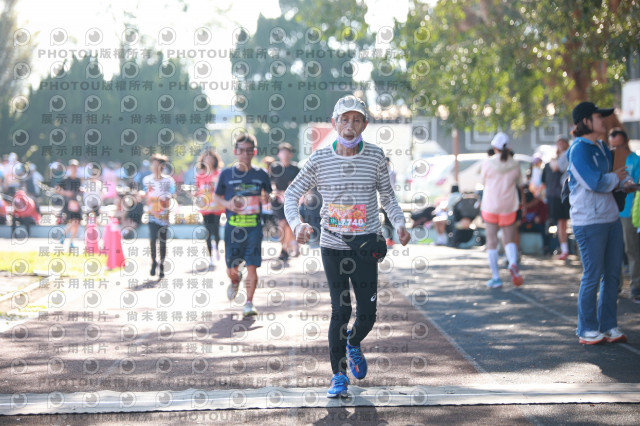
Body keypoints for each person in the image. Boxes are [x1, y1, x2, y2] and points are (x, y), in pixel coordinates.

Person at [284, 95, 410, 398]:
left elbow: (388, 197)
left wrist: (400, 223)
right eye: (344, 119)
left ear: (364, 124)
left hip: (365, 245)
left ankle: (353, 342)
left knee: (368, 314)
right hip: (332, 244)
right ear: (334, 122)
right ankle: (338, 375)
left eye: (356, 120)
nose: (349, 125)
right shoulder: (319, 159)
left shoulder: (375, 156)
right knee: (340, 310)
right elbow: (291, 194)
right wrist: (297, 224)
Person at [567, 101, 633, 344]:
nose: (603, 121)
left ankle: (608, 326)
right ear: (585, 121)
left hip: (610, 217)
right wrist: (615, 178)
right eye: (598, 117)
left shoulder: (603, 146)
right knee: (593, 274)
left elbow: (610, 179)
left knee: (613, 275)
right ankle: (586, 329)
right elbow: (594, 182)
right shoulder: (578, 149)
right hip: (588, 221)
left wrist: (624, 183)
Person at [214, 134, 272, 318]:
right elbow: (216, 196)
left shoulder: (261, 174)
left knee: (252, 266)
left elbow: (268, 196)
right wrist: (228, 204)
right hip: (233, 228)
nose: (245, 154)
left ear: (254, 152)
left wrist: (266, 198)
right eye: (242, 151)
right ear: (235, 152)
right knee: (231, 270)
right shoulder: (226, 174)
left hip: (254, 227)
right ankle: (235, 280)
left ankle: (249, 303)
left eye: (249, 151)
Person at [480, 132, 524, 288]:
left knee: (491, 241)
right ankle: (512, 263)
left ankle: (496, 277)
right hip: (509, 206)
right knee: (509, 239)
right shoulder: (515, 164)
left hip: (490, 205)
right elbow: (520, 184)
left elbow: (483, 182)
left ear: (494, 147)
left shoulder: (487, 163)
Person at [608, 128, 640, 304]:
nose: (617, 149)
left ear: (626, 142)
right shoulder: (608, 158)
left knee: (632, 250)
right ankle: (615, 287)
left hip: (629, 211)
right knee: (614, 252)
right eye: (613, 146)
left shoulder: (636, 160)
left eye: (620, 145)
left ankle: (636, 288)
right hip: (611, 211)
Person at [142, 154, 176, 280]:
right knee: (152, 239)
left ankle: (162, 264)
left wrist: (165, 199)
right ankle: (153, 262)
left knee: (162, 241)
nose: (155, 167)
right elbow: (145, 193)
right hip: (152, 213)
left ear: (163, 166)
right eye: (153, 164)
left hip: (164, 215)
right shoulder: (147, 180)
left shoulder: (168, 181)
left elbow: (172, 194)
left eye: (158, 165)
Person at [269, 143, 300, 261]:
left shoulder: (295, 169)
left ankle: (285, 249)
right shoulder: (275, 167)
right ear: (278, 154)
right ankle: (283, 246)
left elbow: (300, 185)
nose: (285, 155)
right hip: (277, 200)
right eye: (282, 152)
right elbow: (270, 183)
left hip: (291, 201)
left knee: (288, 225)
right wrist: (276, 192)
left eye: (287, 152)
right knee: (281, 224)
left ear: (291, 154)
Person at [541, 137, 571, 260]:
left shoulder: (568, 158)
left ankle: (565, 248)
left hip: (566, 195)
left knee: (564, 223)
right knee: (560, 223)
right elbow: (544, 181)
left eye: (563, 143)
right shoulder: (550, 163)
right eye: (559, 143)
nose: (561, 145)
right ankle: (564, 248)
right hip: (555, 196)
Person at [195, 148, 225, 268]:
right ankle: (210, 256)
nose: (208, 161)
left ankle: (216, 247)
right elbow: (197, 189)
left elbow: (222, 189)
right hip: (205, 207)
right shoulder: (200, 175)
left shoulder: (219, 174)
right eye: (206, 159)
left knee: (216, 230)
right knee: (207, 231)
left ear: (214, 161)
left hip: (217, 207)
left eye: (210, 159)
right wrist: (196, 194)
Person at [56, 159, 83, 251]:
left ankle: (69, 240)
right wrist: (66, 193)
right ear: (69, 168)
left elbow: (78, 191)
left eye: (75, 167)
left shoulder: (78, 180)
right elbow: (57, 189)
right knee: (74, 222)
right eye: (72, 167)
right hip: (69, 204)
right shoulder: (66, 180)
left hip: (77, 203)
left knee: (76, 223)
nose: (74, 169)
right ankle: (67, 238)